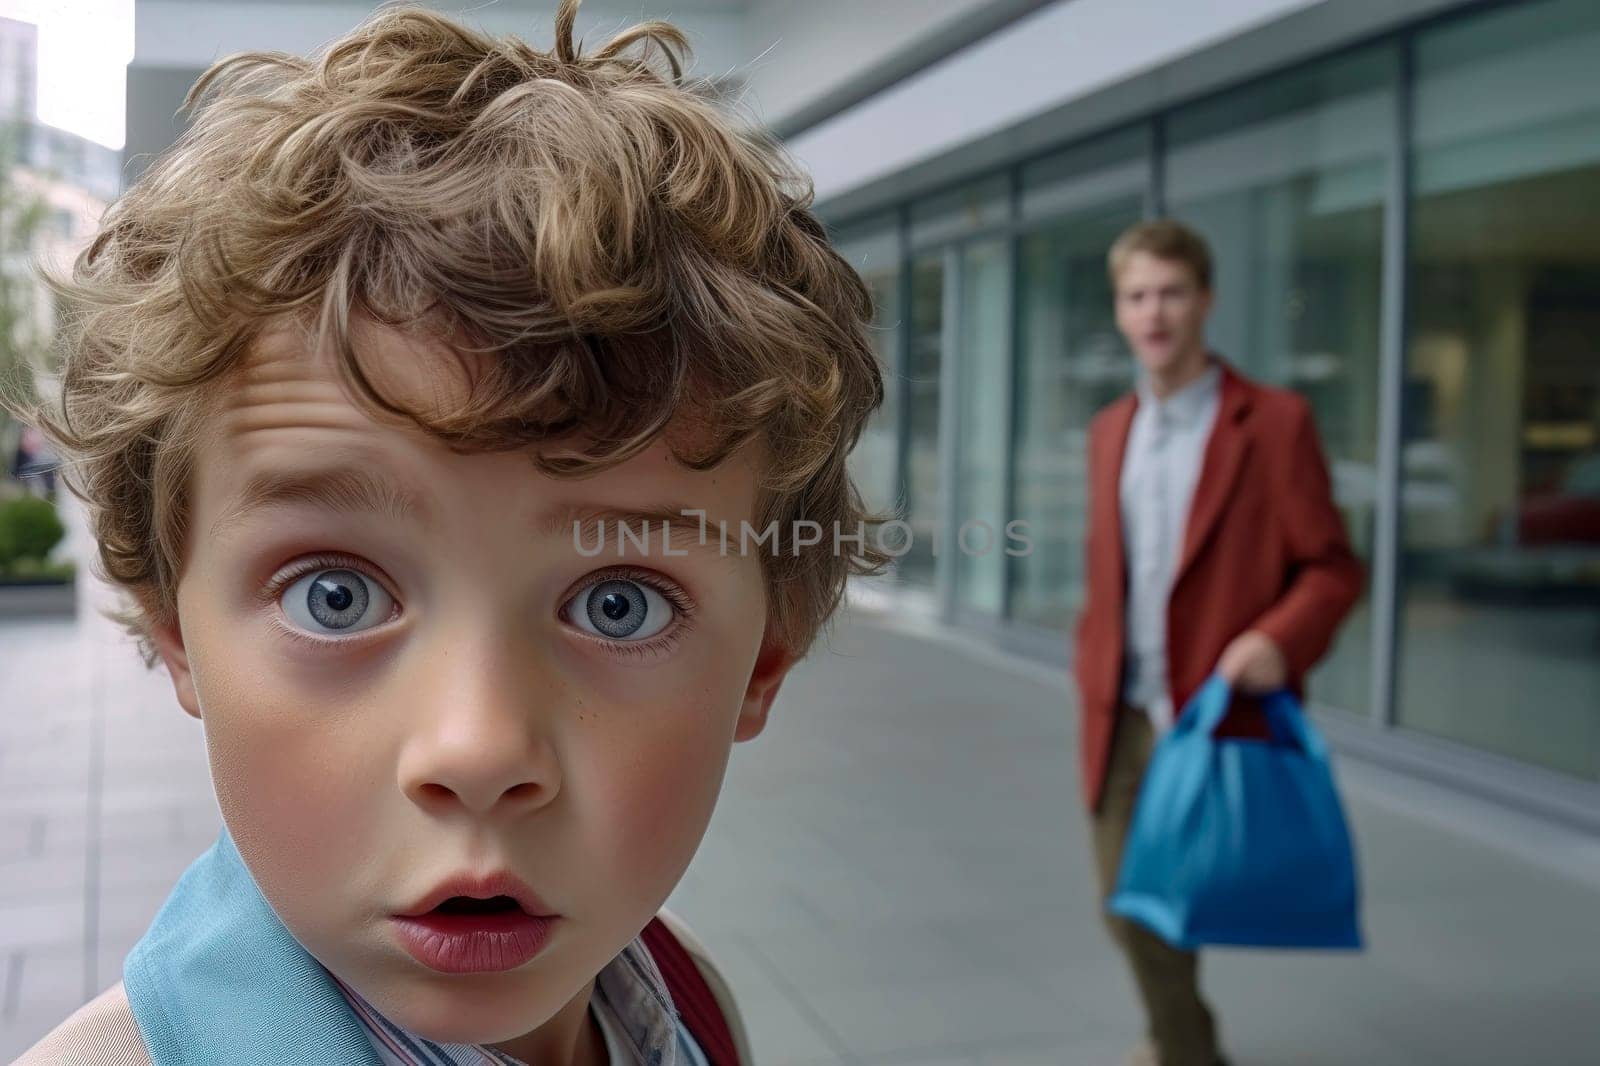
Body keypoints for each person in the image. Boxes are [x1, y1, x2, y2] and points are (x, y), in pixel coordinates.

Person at [10, 3, 885, 1063]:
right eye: (333, 592)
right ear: (177, 628)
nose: (477, 751)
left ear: (764, 658)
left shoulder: (686, 997)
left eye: (621, 602)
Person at [1074, 219, 1363, 1066]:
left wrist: (1278, 638)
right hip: (1121, 711)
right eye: (1137, 296)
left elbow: (1333, 567)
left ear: (1206, 301)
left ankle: (1177, 1047)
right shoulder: (1109, 432)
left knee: (1178, 898)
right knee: (1125, 903)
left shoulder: (1273, 425)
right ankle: (1184, 1042)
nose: (1153, 312)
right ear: (1121, 312)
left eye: (1170, 293)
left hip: (1211, 709)